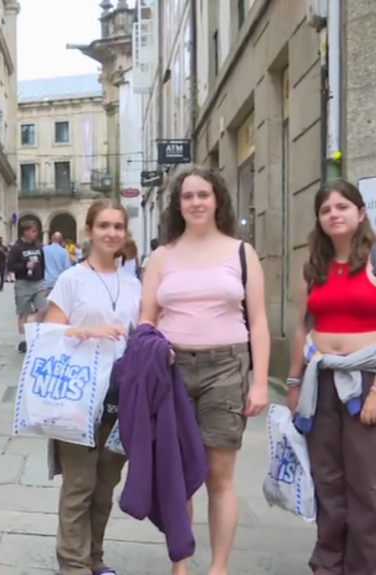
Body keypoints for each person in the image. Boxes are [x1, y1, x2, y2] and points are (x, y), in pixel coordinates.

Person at [138, 165, 269, 575]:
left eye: (203, 195)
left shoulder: (241, 252)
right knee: (179, 472)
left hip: (226, 368)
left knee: (218, 474)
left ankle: (219, 567)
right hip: (173, 370)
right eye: (188, 196)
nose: (196, 202)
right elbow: (146, 319)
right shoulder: (162, 255)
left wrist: (261, 382)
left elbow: (259, 322)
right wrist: (155, 349)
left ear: (217, 201)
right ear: (178, 204)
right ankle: (182, 564)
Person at [45, 199, 141, 575]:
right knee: (79, 486)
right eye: (103, 225)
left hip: (120, 398)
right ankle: (73, 565)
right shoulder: (72, 279)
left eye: (117, 226)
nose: (111, 233)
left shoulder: (133, 284)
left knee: (104, 488)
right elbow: (49, 336)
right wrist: (89, 331)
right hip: (78, 395)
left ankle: (94, 558)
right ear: (89, 231)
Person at [287, 180, 376, 575]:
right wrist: (293, 381)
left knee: (366, 483)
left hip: (366, 383)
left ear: (360, 212)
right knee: (327, 479)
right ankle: (328, 564)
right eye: (326, 210)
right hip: (319, 382)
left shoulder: (374, 261)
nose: (334, 214)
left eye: (343, 206)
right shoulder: (314, 267)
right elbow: (302, 327)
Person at [7, 221, 46, 353]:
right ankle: (23, 339)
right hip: (23, 282)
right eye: (33, 231)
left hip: (38, 282)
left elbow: (43, 263)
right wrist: (24, 266)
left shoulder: (39, 246)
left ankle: (35, 334)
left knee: (42, 309)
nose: (35, 234)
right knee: (23, 312)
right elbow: (11, 266)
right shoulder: (17, 247)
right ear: (26, 232)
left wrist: (42, 276)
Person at [42, 231, 73, 306]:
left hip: (45, 282)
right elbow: (67, 268)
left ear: (51, 239)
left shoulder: (44, 250)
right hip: (58, 283)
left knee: (43, 308)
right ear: (61, 240)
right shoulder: (64, 252)